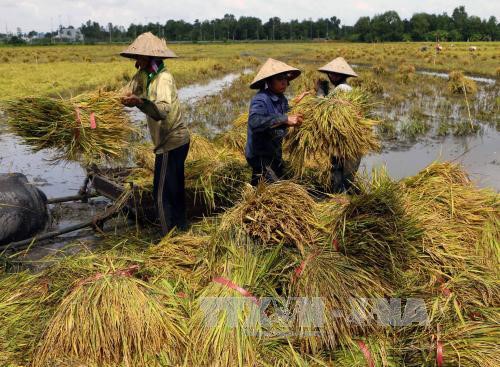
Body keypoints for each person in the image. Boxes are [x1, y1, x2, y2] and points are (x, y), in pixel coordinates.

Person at [120, 32, 190, 233]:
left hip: (171, 141)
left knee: (161, 192)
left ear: (150, 58)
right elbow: (126, 90)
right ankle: (181, 227)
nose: (136, 62)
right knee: (174, 187)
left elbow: (162, 110)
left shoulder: (163, 78)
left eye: (139, 58)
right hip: (173, 141)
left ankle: (167, 234)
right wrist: (110, 100)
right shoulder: (145, 74)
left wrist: (140, 102)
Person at [295, 57, 360, 193]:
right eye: (330, 73)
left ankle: (340, 202)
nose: (332, 76)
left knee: (341, 173)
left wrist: (320, 92)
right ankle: (342, 199)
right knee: (342, 172)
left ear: (342, 75)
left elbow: (323, 109)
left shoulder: (342, 88)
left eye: (336, 74)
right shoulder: (344, 88)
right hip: (346, 140)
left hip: (345, 141)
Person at [245, 58, 303, 186]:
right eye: (279, 79)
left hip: (274, 153)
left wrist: (297, 105)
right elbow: (255, 122)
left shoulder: (282, 99)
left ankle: (254, 199)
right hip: (261, 155)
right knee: (279, 189)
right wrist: (286, 119)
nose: (284, 82)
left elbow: (286, 114)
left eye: (285, 79)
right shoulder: (260, 99)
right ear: (269, 81)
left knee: (260, 186)